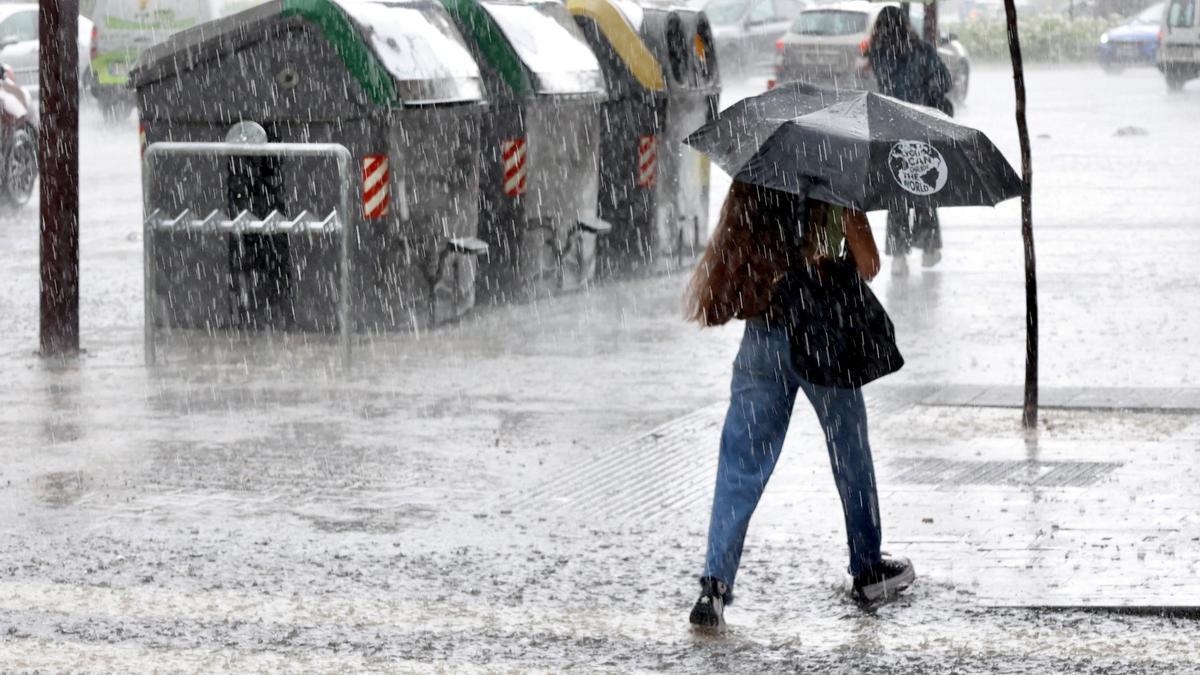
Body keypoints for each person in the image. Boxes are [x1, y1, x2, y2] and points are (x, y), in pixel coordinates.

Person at [684, 181, 914, 629]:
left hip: (762, 337)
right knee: (851, 456)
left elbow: (739, 257)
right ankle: (868, 569)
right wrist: (847, 216)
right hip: (823, 339)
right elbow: (868, 265)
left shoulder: (759, 179)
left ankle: (714, 587)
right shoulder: (834, 177)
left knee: (740, 465)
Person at [867, 5, 953, 275]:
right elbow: (945, 81)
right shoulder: (923, 51)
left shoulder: (880, 55)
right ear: (905, 24)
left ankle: (899, 257)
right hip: (923, 128)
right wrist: (928, 89)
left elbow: (883, 89)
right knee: (924, 186)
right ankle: (928, 248)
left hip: (892, 131)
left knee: (897, 194)